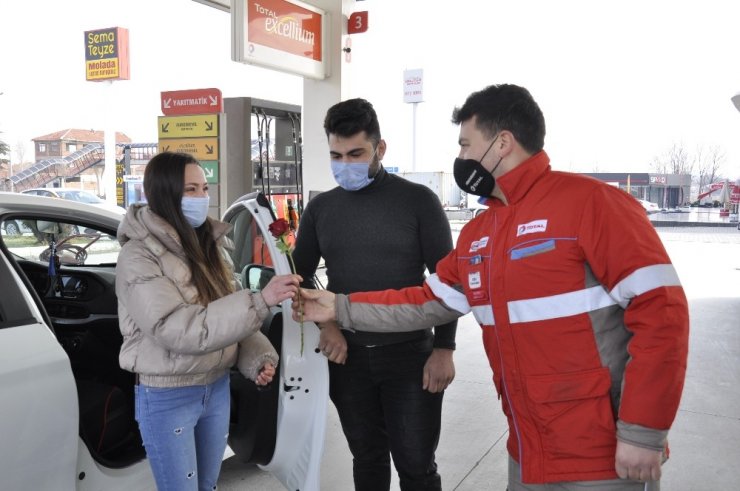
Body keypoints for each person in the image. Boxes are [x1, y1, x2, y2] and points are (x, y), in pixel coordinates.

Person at [294, 85, 690, 491]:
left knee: (415, 462)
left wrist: (643, 431)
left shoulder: (592, 204)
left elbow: (663, 315)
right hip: (526, 444)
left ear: (502, 144)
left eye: (466, 144)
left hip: (598, 450)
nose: (461, 157)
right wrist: (339, 308)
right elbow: (427, 301)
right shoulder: (483, 232)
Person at [291, 98, 458, 491]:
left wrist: (444, 349)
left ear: (380, 149)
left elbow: (448, 282)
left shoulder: (418, 201)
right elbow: (296, 279)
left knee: (416, 466)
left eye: (355, 153)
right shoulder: (321, 209)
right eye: (336, 154)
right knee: (367, 459)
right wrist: (327, 325)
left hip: (410, 357)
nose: (344, 163)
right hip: (347, 358)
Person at [115, 151, 301, 491]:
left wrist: (256, 357)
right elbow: (177, 328)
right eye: (190, 190)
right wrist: (261, 300)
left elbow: (226, 311)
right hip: (168, 396)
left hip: (216, 388)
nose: (202, 198)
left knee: (208, 486)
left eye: (204, 188)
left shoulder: (208, 245)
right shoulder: (138, 256)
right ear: (164, 194)